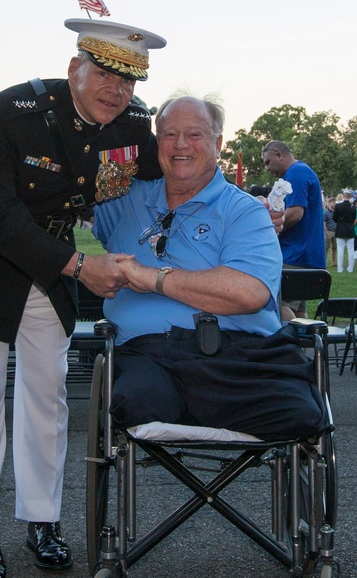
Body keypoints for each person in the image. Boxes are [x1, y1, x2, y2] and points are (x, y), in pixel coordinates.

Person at [0, 17, 166, 578]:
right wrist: (81, 267)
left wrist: (240, 204)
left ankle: (41, 520)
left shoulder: (134, 127)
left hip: (50, 264)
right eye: (106, 73)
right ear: (73, 69)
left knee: (47, 391)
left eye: (129, 81)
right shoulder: (9, 114)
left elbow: (173, 180)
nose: (117, 90)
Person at [93, 95, 326, 439]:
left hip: (240, 356)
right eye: (169, 135)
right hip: (148, 356)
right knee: (135, 403)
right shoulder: (124, 200)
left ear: (218, 143)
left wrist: (153, 278)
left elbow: (248, 292)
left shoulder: (245, 211)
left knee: (298, 415)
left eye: (195, 134)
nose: (180, 145)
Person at [262, 140, 325, 317]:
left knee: (276, 304)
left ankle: (291, 344)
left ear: (279, 154)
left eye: (268, 162)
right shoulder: (302, 171)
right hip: (304, 255)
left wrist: (268, 229)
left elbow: (296, 213)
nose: (267, 168)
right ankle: (305, 344)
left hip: (295, 255)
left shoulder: (295, 173)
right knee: (297, 310)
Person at [333, 189, 357, 273]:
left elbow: (335, 218)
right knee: (351, 250)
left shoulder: (338, 206)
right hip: (350, 229)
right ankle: (350, 268)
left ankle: (340, 268)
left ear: (343, 196)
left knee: (340, 250)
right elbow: (353, 218)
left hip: (340, 229)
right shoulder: (353, 207)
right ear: (350, 196)